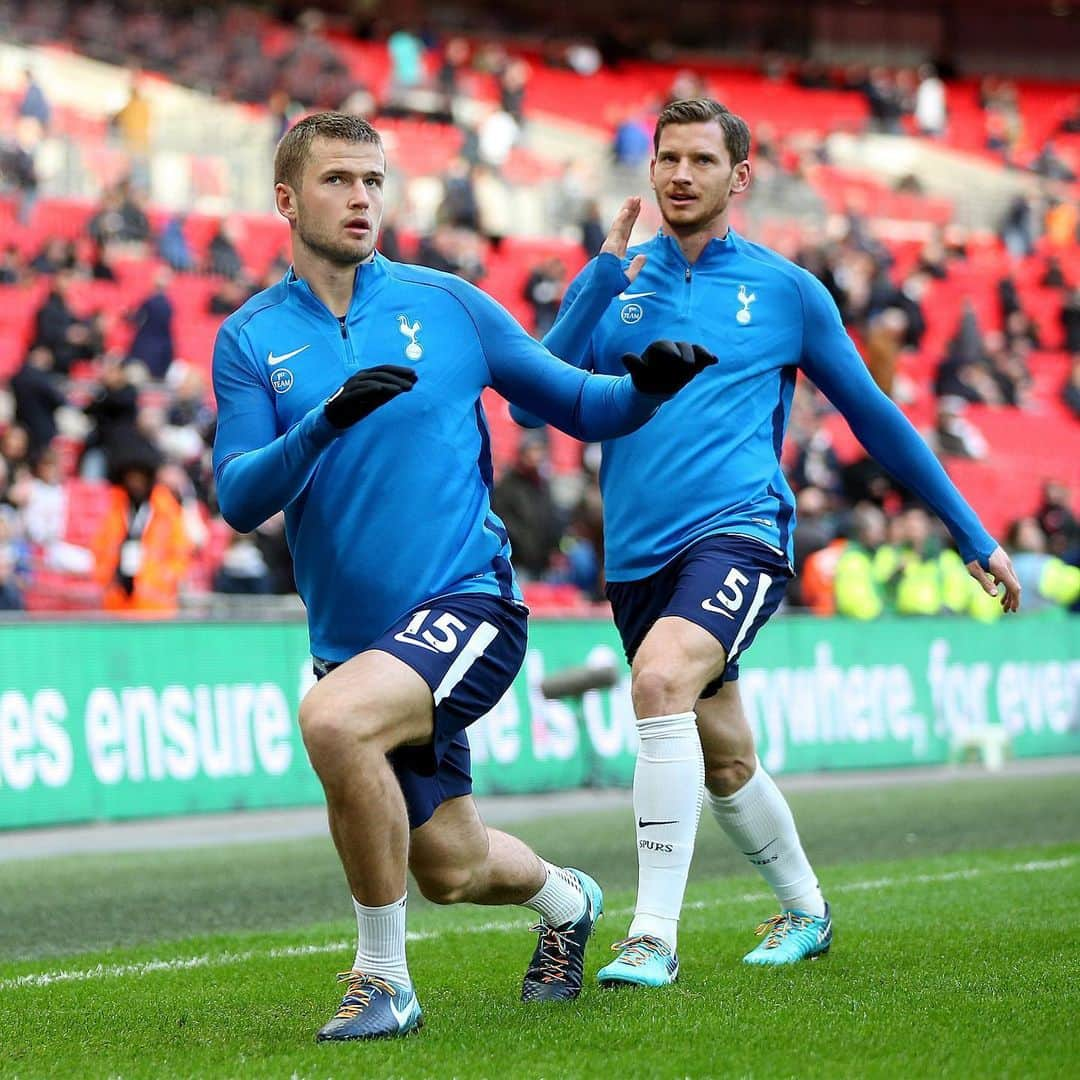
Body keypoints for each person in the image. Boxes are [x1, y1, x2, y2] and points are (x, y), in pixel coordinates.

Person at [211, 111, 714, 1042]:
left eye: (372, 179)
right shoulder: (250, 340)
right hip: (353, 647)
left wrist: (646, 389)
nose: (361, 197)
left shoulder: (446, 304)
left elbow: (573, 401)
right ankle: (567, 902)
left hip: (468, 605)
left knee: (331, 721)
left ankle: (382, 979)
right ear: (286, 199)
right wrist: (319, 425)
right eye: (337, 181)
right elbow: (238, 496)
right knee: (449, 868)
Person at [512, 98, 1021, 986]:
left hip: (739, 535)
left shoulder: (787, 292)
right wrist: (597, 274)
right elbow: (529, 402)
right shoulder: (619, 285)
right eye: (668, 158)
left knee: (660, 679)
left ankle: (652, 935)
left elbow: (876, 417)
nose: (679, 174)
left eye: (701, 160)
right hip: (636, 559)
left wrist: (971, 534)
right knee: (724, 755)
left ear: (739, 176)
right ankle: (807, 911)